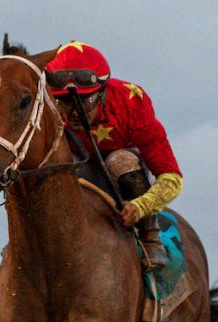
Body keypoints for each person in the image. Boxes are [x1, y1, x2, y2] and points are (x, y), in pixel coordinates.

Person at [44, 41, 182, 270]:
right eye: (65, 101)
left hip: (121, 171)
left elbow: (172, 179)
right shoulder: (46, 104)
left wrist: (140, 207)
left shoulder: (131, 102)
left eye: (84, 100)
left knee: (120, 160)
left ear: (102, 92)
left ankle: (150, 237)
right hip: (75, 164)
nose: (74, 112)